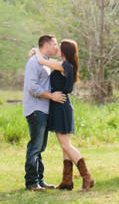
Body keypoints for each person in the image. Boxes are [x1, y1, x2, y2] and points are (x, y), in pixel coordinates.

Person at [35, 39, 94, 191]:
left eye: (59, 47)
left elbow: (42, 60)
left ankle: (87, 177)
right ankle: (67, 181)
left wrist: (35, 51)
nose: (57, 48)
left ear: (65, 51)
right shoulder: (66, 65)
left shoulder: (64, 66)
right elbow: (48, 61)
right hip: (61, 106)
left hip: (61, 107)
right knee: (65, 147)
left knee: (65, 145)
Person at [23, 34, 67, 192]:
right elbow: (32, 87)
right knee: (35, 146)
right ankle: (31, 182)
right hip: (36, 109)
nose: (56, 47)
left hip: (44, 109)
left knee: (40, 147)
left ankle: (39, 180)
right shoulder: (34, 62)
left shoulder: (44, 62)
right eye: (55, 44)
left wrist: (35, 50)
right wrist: (51, 96)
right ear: (46, 45)